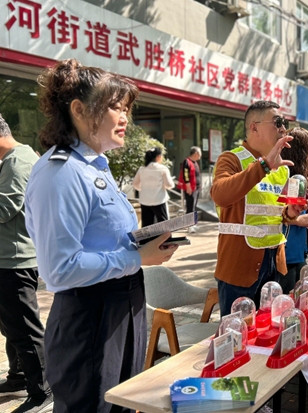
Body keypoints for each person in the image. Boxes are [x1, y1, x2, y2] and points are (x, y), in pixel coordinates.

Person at [25, 58, 178, 413]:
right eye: (115, 107)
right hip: (90, 315)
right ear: (78, 109)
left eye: (126, 109)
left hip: (124, 304)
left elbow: (103, 237)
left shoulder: (96, 166)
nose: (125, 118)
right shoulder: (61, 172)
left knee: (123, 402)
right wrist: (136, 257)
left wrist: (142, 245)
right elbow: (59, 269)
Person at [210, 101, 303, 316]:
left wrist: (289, 213)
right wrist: (263, 165)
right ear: (254, 127)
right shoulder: (232, 159)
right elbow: (220, 195)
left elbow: (274, 213)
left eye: (284, 123)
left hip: (275, 263)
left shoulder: (282, 169)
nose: (283, 129)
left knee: (269, 328)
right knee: (237, 331)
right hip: (239, 264)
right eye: (277, 122)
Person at [0, 114, 51, 413]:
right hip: (8, 257)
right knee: (12, 326)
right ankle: (19, 376)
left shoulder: (18, 161)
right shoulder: (13, 159)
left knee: (25, 330)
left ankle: (43, 391)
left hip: (14, 260)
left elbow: (4, 208)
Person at [279, 127, 308, 293]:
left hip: (297, 247)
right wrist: (298, 220)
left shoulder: (297, 176)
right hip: (288, 248)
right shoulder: (287, 175)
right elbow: (277, 210)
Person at [133, 147, 175, 227]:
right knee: (164, 225)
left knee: (147, 226)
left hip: (145, 201)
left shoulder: (142, 169)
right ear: (158, 157)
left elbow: (135, 184)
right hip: (160, 200)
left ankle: (148, 236)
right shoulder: (163, 169)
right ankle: (164, 236)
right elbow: (169, 185)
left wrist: (143, 189)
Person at [178, 146, 202, 214]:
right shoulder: (187, 161)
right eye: (200, 153)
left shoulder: (195, 162)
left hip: (196, 188)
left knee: (194, 206)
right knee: (190, 207)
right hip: (191, 188)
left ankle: (193, 219)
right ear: (196, 153)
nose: (200, 155)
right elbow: (185, 175)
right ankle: (189, 220)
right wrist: (188, 187)